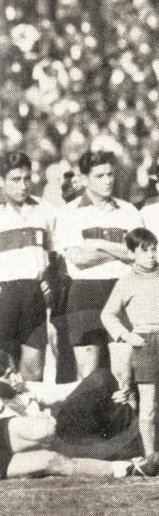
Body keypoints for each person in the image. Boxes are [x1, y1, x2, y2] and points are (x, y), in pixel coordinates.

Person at [100, 227, 159, 475]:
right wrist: (127, 335)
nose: (151, 255)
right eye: (144, 251)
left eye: (153, 249)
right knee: (148, 405)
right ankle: (150, 457)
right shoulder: (125, 282)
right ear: (132, 253)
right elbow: (108, 314)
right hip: (143, 344)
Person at [54, 151, 144, 380]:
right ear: (84, 179)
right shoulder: (68, 213)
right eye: (100, 175)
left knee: (123, 374)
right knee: (89, 376)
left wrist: (101, 246)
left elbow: (138, 254)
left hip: (121, 292)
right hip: (85, 293)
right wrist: (120, 252)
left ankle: (125, 417)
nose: (108, 180)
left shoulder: (129, 211)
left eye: (110, 174)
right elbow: (79, 259)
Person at [0, 352, 138, 480]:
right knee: (100, 380)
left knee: (103, 381)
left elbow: (68, 390)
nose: (14, 378)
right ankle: (133, 455)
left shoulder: (24, 388)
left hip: (64, 429)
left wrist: (120, 387)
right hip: (51, 442)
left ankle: (138, 444)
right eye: (7, 375)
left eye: (14, 373)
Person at [0, 152, 55, 381]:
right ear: (1, 181)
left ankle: (32, 413)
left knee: (34, 368)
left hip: (34, 294)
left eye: (26, 178)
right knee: (3, 367)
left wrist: (50, 280)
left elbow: (56, 254)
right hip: (4, 293)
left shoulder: (46, 211)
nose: (22, 186)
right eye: (15, 180)